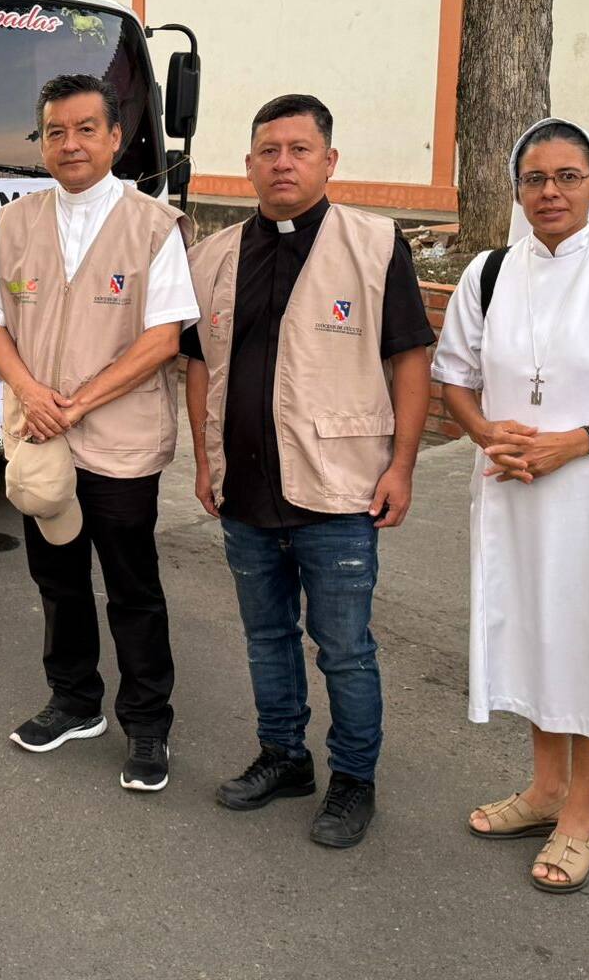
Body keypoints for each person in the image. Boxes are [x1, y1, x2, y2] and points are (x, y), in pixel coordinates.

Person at [183, 94, 433, 847]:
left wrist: (404, 467)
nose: (282, 162)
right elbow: (199, 365)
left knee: (347, 649)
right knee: (266, 638)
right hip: (246, 491)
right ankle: (283, 756)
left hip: (341, 491)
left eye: (298, 149)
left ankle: (354, 779)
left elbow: (411, 360)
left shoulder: (373, 244)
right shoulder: (216, 257)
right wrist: (205, 460)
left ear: (329, 160)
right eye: (269, 150)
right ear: (249, 164)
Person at [0, 73, 198, 793]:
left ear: (114, 137)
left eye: (84, 129)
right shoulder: (15, 223)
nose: (69, 144)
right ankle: (74, 702)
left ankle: (148, 724)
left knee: (132, 588)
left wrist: (73, 404)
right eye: (55, 132)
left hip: (121, 444)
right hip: (42, 440)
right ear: (42, 143)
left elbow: (163, 340)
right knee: (58, 580)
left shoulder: (152, 226)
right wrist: (33, 394)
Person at [433, 118, 589, 894]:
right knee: (538, 634)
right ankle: (542, 790)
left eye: (568, 176)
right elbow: (455, 374)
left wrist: (574, 443)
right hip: (512, 488)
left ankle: (582, 813)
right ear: (517, 190)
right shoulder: (490, 271)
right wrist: (483, 435)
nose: (550, 192)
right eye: (535, 178)